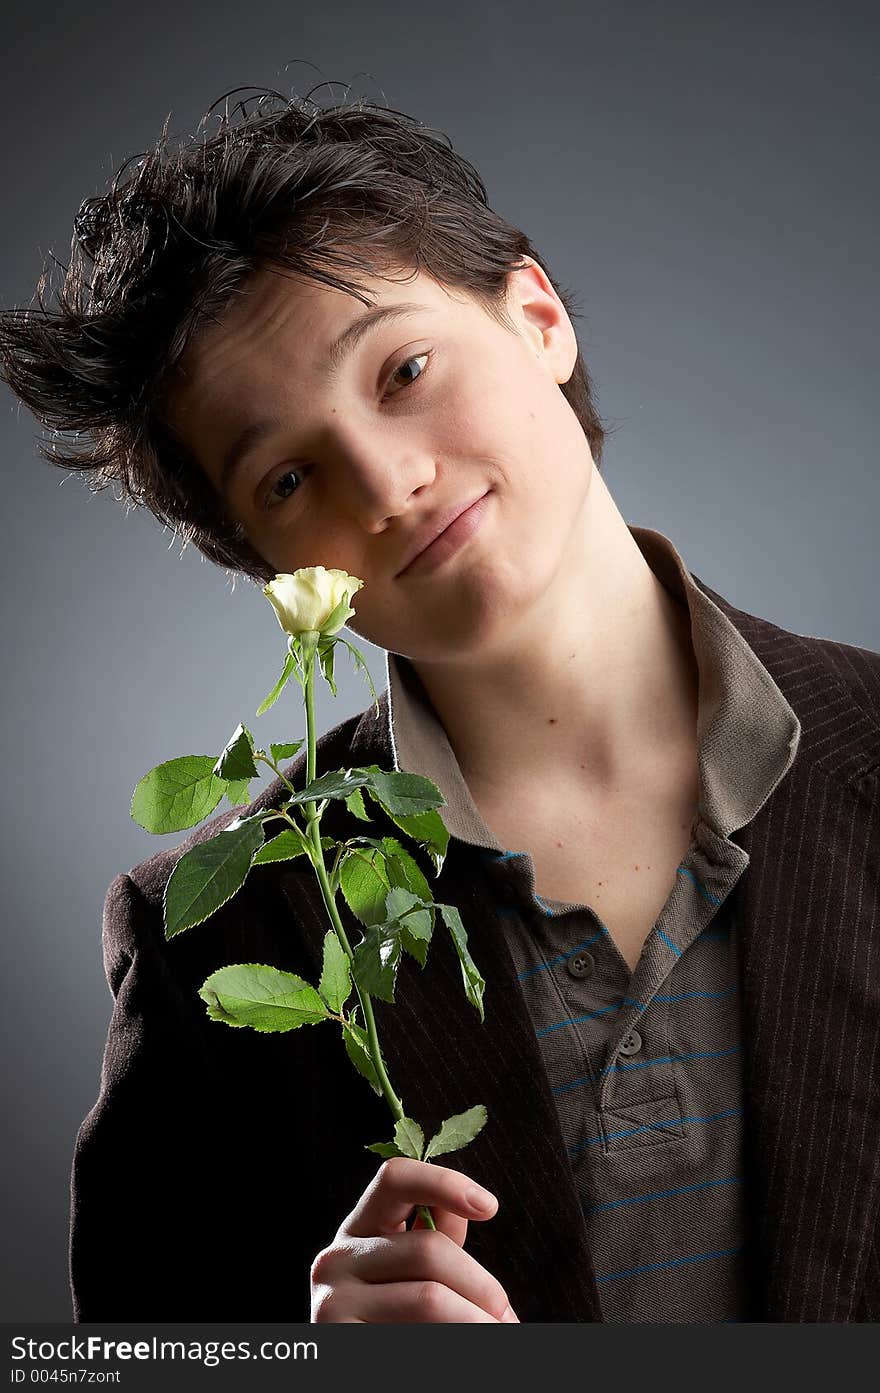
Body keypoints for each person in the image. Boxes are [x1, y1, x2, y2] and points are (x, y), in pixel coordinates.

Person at [2, 86, 878, 1325]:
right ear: (265, 562)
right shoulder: (217, 931)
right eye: (291, 474)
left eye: (403, 369)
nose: (390, 481)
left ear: (537, 317)